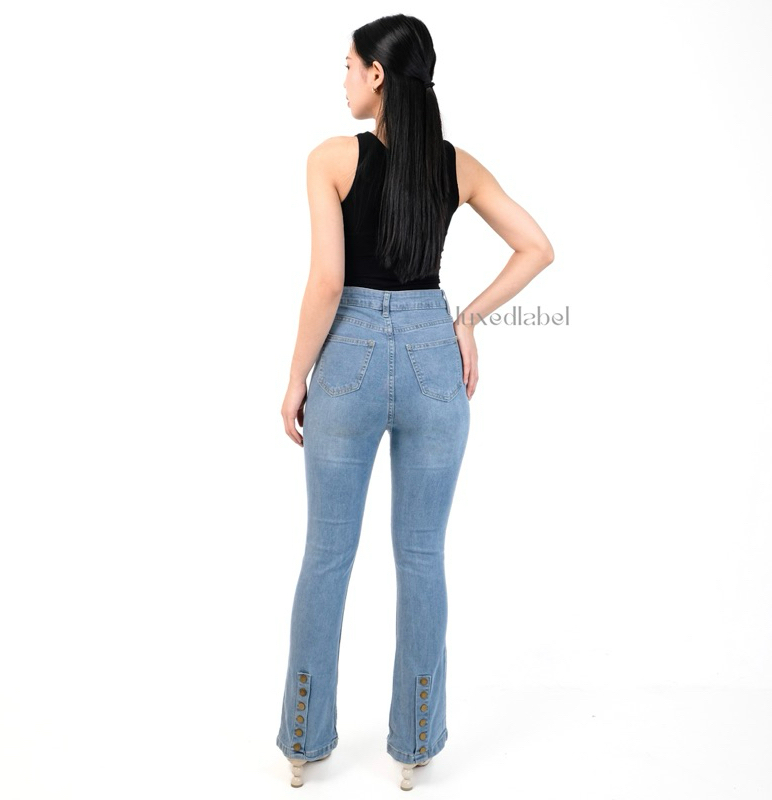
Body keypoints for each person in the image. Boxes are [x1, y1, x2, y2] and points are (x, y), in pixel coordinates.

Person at [276, 13, 554, 791]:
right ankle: (415, 745)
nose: (342, 80)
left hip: (351, 357)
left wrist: (296, 378)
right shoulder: (457, 166)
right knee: (423, 557)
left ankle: (303, 743)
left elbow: (327, 283)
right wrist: (466, 319)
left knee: (327, 555)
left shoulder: (331, 159)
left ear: (376, 75)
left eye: (348, 65)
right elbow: (537, 247)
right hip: (436, 353)